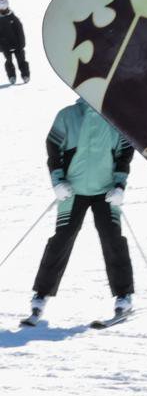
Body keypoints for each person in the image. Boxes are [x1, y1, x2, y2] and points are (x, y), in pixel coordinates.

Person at [26, 99, 135, 324]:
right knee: (62, 238)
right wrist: (57, 181)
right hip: (72, 191)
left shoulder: (116, 117)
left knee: (112, 239)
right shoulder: (68, 115)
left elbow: (125, 151)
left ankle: (123, 295)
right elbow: (53, 147)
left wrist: (119, 185)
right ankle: (41, 296)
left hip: (105, 191)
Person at [0, 0, 28, 84]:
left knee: (21, 60)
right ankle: (12, 76)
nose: (3, 10)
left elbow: (20, 31)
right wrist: (1, 47)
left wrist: (22, 43)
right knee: (8, 62)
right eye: (1, 8)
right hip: (5, 46)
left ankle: (25, 75)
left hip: (17, 44)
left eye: (4, 8)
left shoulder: (13, 18)